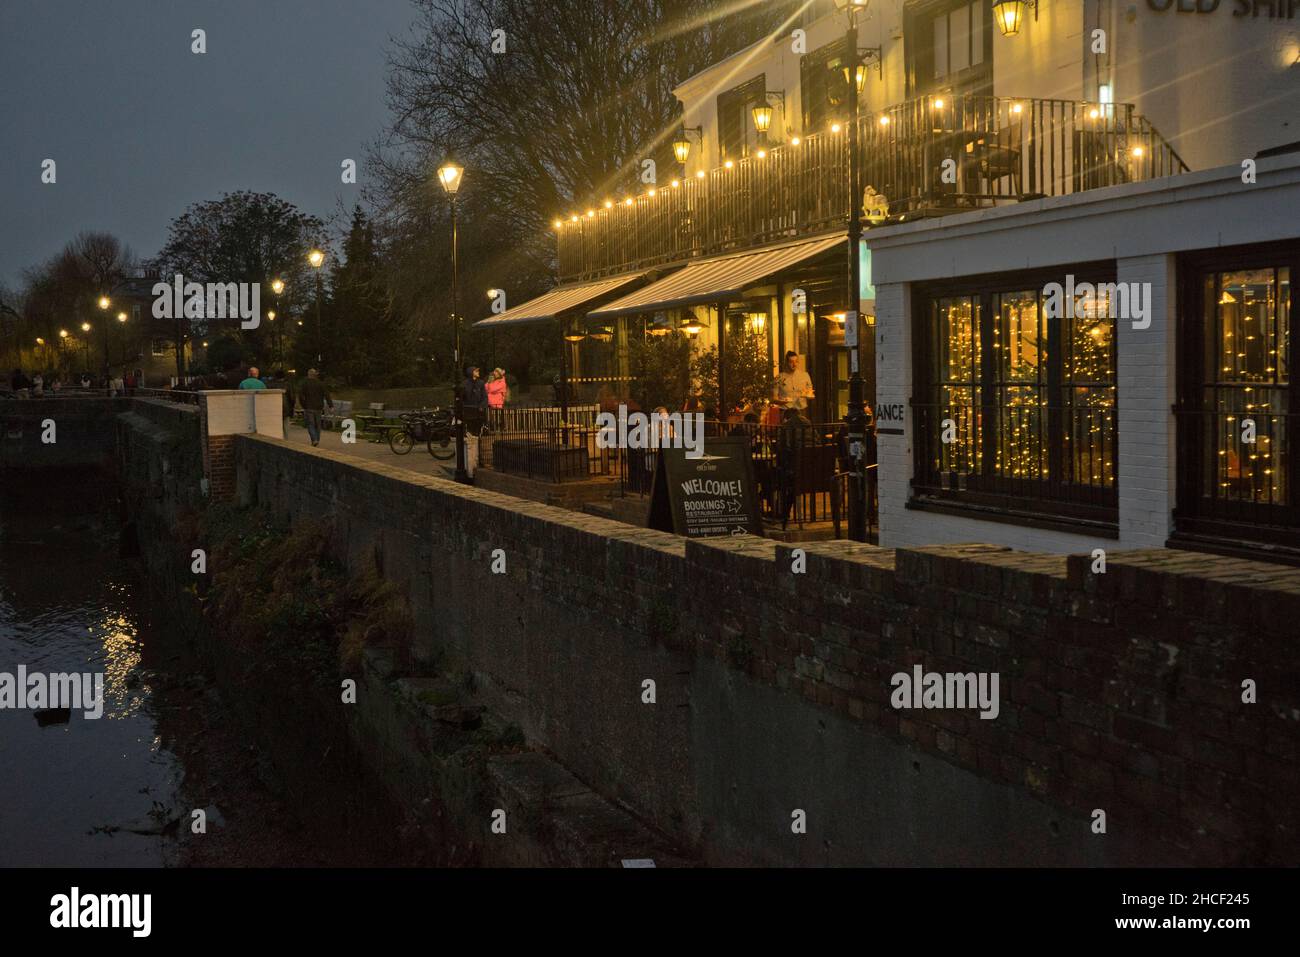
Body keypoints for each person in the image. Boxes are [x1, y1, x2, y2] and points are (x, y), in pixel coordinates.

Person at [298, 368, 332, 447]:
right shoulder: (321, 384)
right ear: (315, 375)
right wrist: (331, 405)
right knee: (318, 425)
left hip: (309, 407)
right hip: (319, 407)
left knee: (310, 424)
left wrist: (303, 405)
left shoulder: (305, 384)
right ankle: (317, 439)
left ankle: (314, 439)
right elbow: (327, 394)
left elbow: (301, 396)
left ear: (309, 375)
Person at [276, 369, 296, 437]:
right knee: (286, 426)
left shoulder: (273, 385)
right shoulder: (288, 384)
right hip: (286, 407)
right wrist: (292, 407)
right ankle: (286, 440)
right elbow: (292, 397)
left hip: (276, 407)